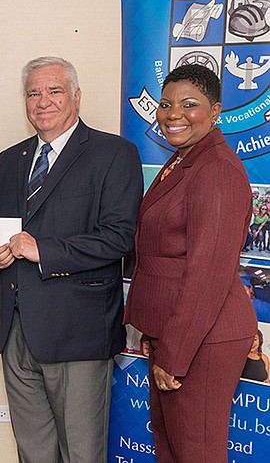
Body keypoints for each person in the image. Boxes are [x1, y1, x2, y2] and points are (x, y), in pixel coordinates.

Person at [0, 56, 143, 462]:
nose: (43, 101)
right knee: (32, 452)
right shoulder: (8, 160)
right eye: (33, 93)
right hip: (17, 331)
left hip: (79, 333)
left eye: (54, 91)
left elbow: (120, 238)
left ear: (76, 97)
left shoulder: (114, 153)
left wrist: (44, 250)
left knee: (81, 453)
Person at [124, 64, 257, 462]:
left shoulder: (216, 171)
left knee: (196, 451)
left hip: (204, 339)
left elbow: (207, 275)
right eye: (165, 104)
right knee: (172, 448)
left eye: (189, 104)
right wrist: (156, 330)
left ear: (216, 111)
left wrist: (175, 353)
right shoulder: (183, 160)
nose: (172, 114)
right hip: (178, 331)